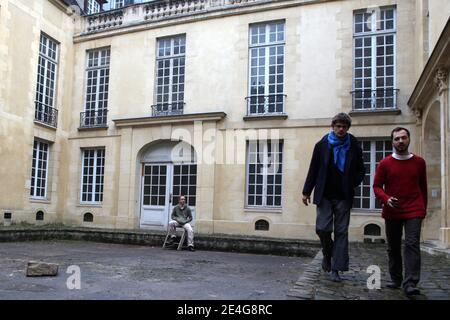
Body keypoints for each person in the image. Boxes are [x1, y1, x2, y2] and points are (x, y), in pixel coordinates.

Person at [302, 113, 365, 282]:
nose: (341, 129)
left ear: (348, 128)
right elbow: (313, 169)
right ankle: (327, 254)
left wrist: (352, 182)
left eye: (344, 126)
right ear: (333, 126)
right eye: (338, 126)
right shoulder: (322, 145)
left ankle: (336, 269)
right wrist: (306, 191)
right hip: (325, 195)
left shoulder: (353, 144)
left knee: (341, 232)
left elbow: (361, 169)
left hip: (344, 195)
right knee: (322, 228)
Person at [373, 127, 427, 296]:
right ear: (392, 142)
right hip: (392, 209)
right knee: (393, 246)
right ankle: (396, 279)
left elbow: (423, 187)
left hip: (414, 208)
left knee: (412, 243)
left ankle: (410, 282)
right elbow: (376, 186)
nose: (401, 141)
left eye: (404, 138)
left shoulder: (419, 162)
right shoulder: (385, 163)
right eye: (397, 139)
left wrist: (423, 208)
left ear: (409, 139)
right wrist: (386, 198)